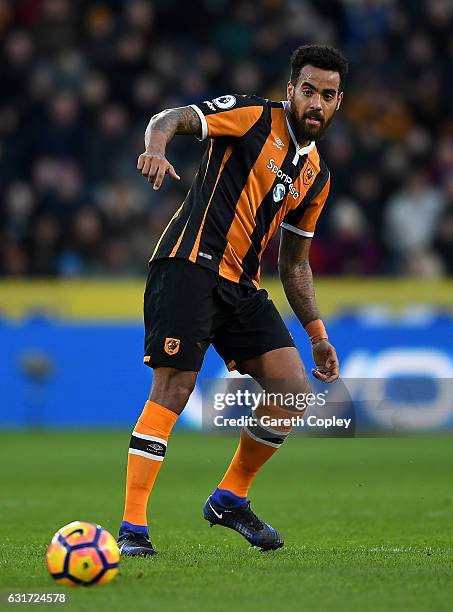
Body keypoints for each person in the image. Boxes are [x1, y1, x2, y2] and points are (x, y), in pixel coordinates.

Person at [118, 44, 348, 556]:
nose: (316, 103)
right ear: (290, 91)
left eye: (327, 95)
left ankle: (230, 498)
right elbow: (171, 117)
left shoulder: (317, 176)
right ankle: (133, 527)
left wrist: (318, 334)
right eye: (307, 91)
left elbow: (294, 264)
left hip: (242, 285)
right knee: (174, 388)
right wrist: (156, 147)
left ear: (338, 103)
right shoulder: (251, 117)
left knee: (291, 390)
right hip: (188, 265)